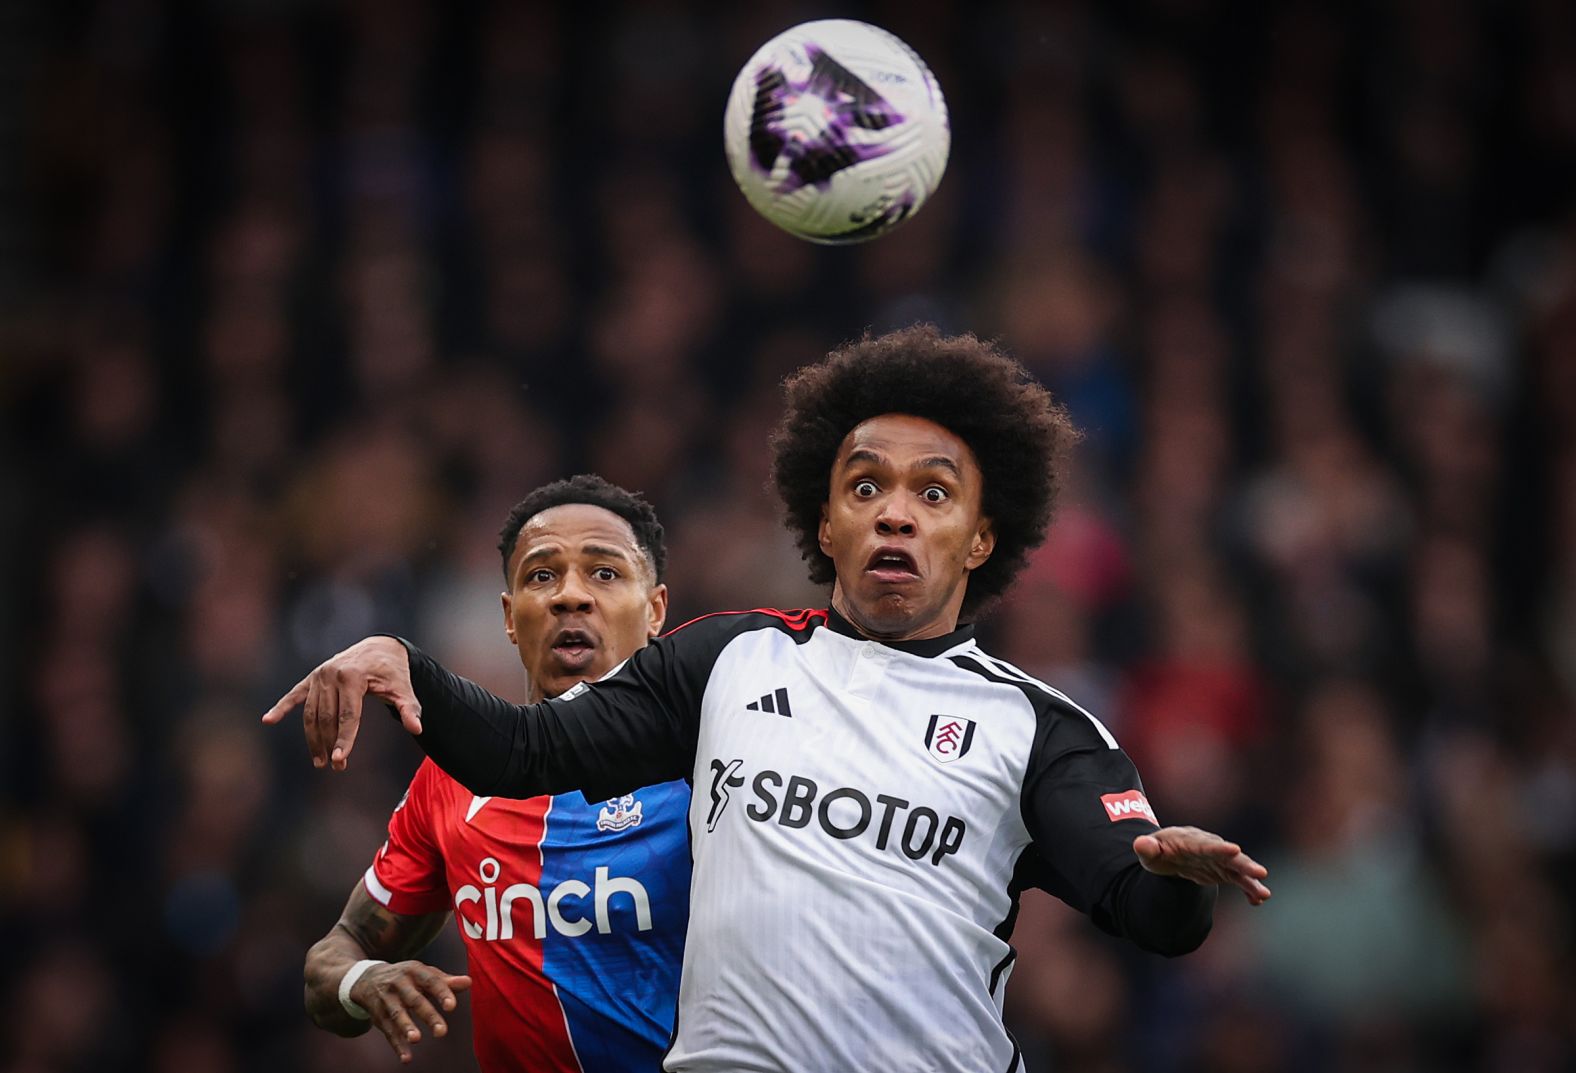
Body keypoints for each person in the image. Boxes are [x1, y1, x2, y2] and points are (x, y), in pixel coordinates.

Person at [268, 325, 1270, 1073]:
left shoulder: (1036, 726)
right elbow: (525, 753)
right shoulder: (728, 662)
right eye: (865, 485)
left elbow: (1148, 909)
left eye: (933, 493)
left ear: (978, 537)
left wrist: (1178, 876)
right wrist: (407, 662)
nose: (894, 511)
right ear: (824, 523)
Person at [298, 475, 690, 1071]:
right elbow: (334, 958)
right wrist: (363, 981)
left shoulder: (713, 762)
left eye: (604, 574)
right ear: (509, 617)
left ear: (656, 609)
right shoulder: (451, 780)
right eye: (542, 575)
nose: (570, 597)